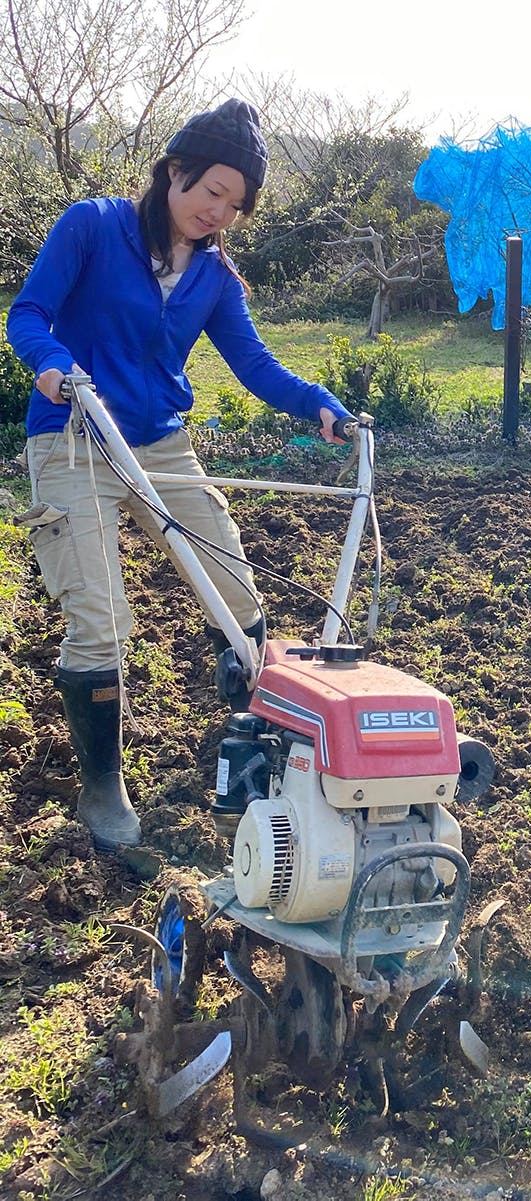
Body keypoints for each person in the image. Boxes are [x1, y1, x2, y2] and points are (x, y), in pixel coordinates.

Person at [8, 99, 354, 851]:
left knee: (238, 595)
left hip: (161, 447)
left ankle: (258, 735)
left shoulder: (215, 279)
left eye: (235, 204)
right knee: (100, 617)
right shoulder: (92, 226)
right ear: (174, 170)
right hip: (73, 436)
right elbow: (27, 314)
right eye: (210, 192)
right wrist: (53, 365)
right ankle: (102, 791)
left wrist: (320, 404)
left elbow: (255, 364)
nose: (217, 212)